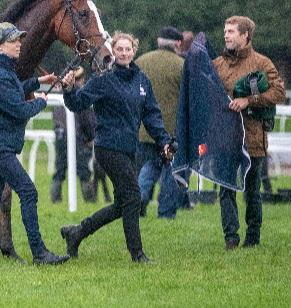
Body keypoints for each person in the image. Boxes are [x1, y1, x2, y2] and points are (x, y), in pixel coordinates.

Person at [59, 32, 172, 263]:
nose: (123, 53)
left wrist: (164, 140)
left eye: (127, 49)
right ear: (112, 51)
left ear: (134, 51)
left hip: (130, 148)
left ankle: (77, 232)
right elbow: (78, 103)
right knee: (133, 195)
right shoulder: (103, 78)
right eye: (119, 49)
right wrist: (69, 90)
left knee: (123, 204)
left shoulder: (142, 80)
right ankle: (137, 253)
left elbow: (152, 115)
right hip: (107, 148)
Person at [0, 22, 69, 265]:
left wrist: (38, 81)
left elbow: (13, 91)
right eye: (15, 41)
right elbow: (19, 109)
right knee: (28, 191)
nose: (20, 44)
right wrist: (41, 101)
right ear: (1, 46)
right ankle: (40, 253)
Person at [213, 16, 285, 249]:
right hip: (225, 138)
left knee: (253, 191)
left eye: (231, 31)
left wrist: (249, 100)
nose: (226, 35)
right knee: (226, 189)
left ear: (246, 36)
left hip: (253, 137)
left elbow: (279, 94)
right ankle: (231, 238)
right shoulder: (217, 65)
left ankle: (252, 238)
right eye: (225, 31)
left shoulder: (262, 63)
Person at [136, 26, 192, 219]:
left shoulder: (141, 61)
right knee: (169, 169)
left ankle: (139, 197)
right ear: (178, 44)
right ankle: (166, 213)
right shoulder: (182, 66)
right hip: (170, 135)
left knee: (151, 165)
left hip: (144, 131)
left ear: (159, 41)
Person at [50, 67, 98, 204]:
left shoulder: (61, 91)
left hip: (60, 136)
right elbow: (87, 118)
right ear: (81, 79)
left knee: (60, 168)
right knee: (83, 170)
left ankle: (55, 200)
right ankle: (89, 201)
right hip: (78, 137)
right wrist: (91, 137)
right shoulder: (81, 92)